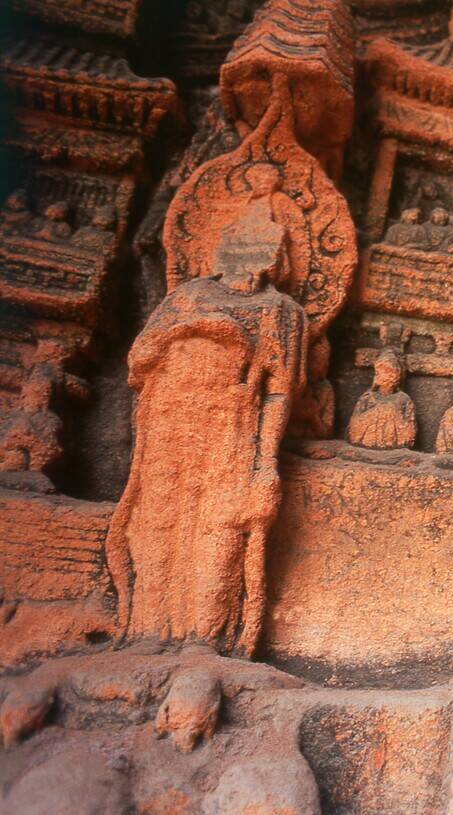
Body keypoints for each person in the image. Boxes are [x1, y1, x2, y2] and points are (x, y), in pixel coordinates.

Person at [105, 201, 307, 656]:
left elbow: (279, 393)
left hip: (234, 426)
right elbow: (138, 362)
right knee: (155, 519)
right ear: (221, 247)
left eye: (270, 247)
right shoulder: (187, 297)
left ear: (280, 258)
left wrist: (266, 460)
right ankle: (147, 630)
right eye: (243, 243)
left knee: (223, 525)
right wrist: (195, 329)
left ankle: (204, 635)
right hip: (169, 418)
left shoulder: (282, 311)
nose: (256, 256)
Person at [347, 349, 417, 449]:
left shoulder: (404, 399)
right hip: (366, 442)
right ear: (377, 376)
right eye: (384, 372)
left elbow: (410, 431)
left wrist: (392, 416)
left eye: (394, 372)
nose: (390, 377)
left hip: (395, 446)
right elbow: (353, 428)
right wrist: (376, 413)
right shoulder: (367, 398)